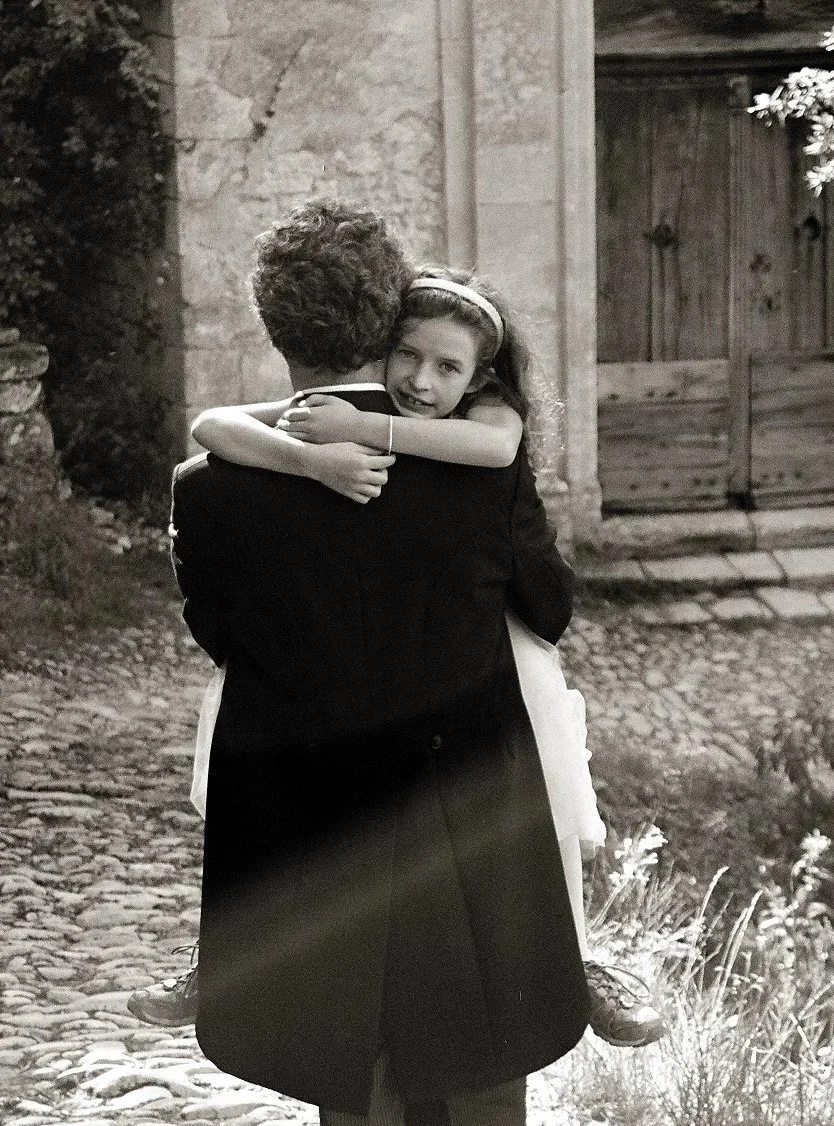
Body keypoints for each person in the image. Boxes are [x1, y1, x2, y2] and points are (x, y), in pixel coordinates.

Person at [166, 196, 591, 1126]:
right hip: (462, 799)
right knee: (477, 1038)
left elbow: (218, 634)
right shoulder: (476, 457)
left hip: (315, 816)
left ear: (274, 326)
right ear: (390, 310)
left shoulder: (211, 485)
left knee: (357, 1078)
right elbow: (547, 606)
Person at [130, 266, 666, 1049]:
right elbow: (213, 423)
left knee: (543, 760)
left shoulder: (491, 430)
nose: (420, 380)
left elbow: (497, 453)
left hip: (430, 693)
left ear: (481, 374)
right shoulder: (340, 422)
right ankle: (224, 950)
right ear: (380, 348)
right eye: (406, 357)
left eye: (447, 367)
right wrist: (314, 457)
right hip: (436, 703)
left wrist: (365, 432)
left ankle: (576, 954)